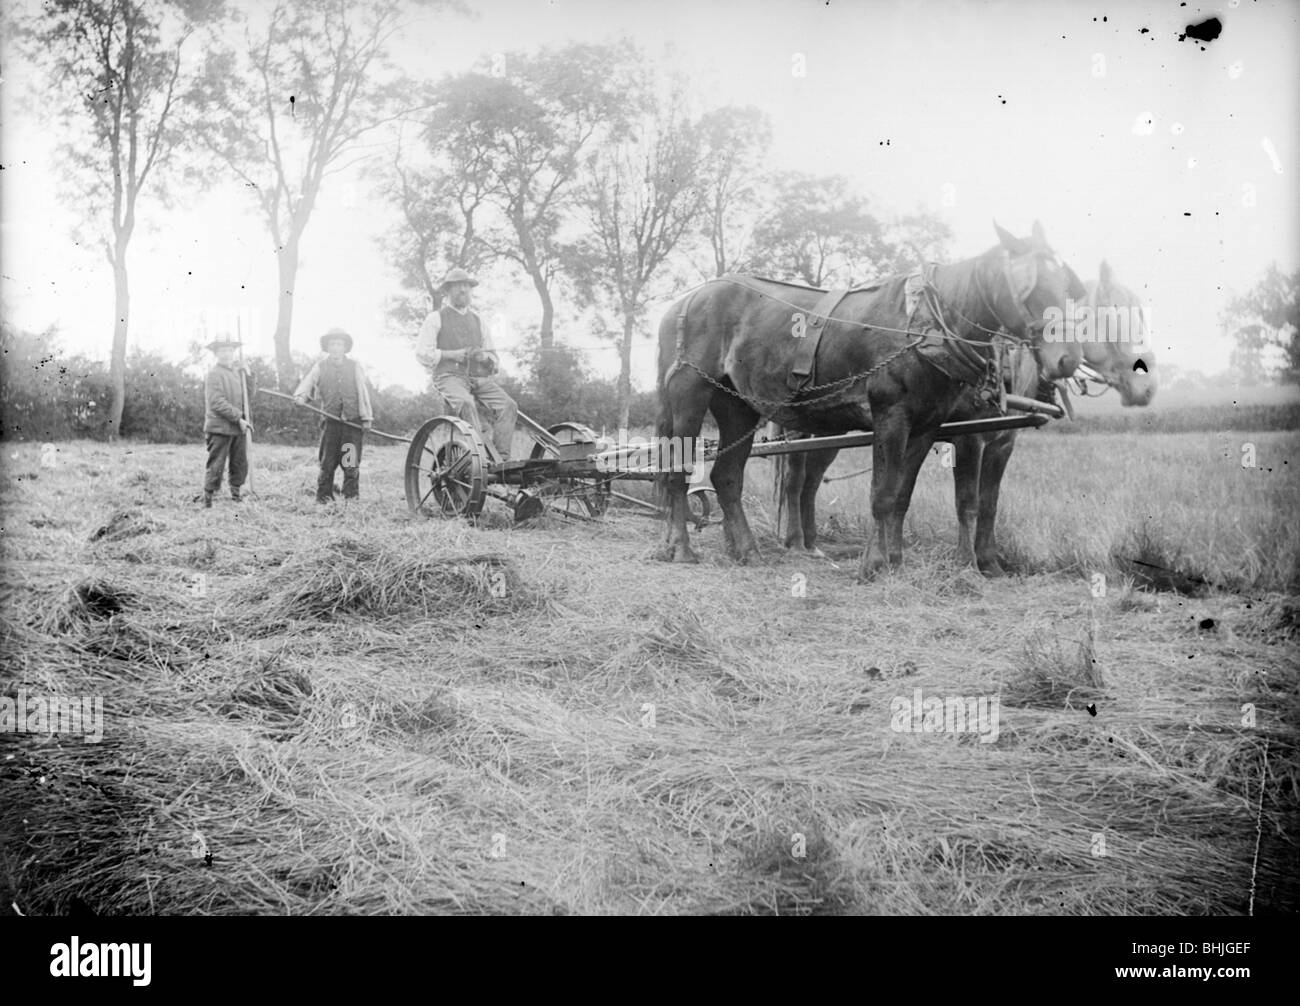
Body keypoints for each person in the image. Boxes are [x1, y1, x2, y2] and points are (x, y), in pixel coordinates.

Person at [415, 267, 518, 462]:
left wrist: (484, 358)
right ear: (447, 292)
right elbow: (422, 353)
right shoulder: (435, 318)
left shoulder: (479, 320)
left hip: (478, 379)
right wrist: (453, 354)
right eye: (457, 287)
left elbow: (493, 359)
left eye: (466, 286)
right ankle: (481, 458)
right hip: (449, 377)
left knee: (509, 405)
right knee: (466, 403)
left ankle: (502, 460)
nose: (463, 290)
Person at [294, 328, 374, 502]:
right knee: (327, 462)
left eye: (339, 344)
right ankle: (324, 499)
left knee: (350, 462)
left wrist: (366, 418)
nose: (336, 347)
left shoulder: (354, 366)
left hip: (352, 425)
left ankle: (350, 499)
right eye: (332, 344)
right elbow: (308, 384)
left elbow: (362, 391)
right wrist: (301, 397)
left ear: (345, 347)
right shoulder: (320, 366)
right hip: (331, 424)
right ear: (327, 347)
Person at [202, 337, 253, 508]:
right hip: (219, 427)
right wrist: (238, 418)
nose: (227, 354)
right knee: (216, 463)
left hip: (238, 427)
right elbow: (216, 402)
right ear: (216, 354)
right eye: (222, 351)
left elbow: (249, 395)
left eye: (230, 351)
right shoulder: (214, 374)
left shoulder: (238, 373)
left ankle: (236, 495)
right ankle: (208, 498)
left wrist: (248, 374)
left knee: (239, 462)